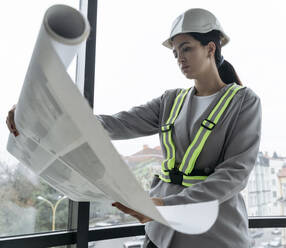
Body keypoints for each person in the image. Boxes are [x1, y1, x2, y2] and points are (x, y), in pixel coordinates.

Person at [7, 8, 261, 248]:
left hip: (213, 234)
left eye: (186, 49)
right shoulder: (171, 101)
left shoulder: (244, 102)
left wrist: (166, 204)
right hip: (160, 232)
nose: (180, 58)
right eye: (175, 53)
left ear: (210, 48)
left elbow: (234, 175)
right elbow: (114, 124)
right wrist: (42, 112)